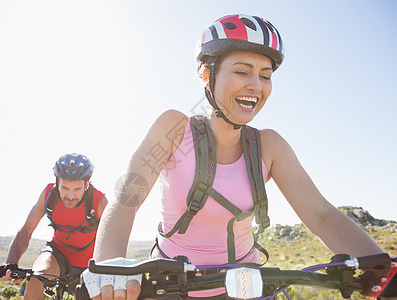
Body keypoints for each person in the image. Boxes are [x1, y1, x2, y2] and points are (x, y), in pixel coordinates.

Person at [83, 14, 386, 299]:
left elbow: (320, 215)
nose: (255, 85)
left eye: (265, 75)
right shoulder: (174, 129)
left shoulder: (269, 145)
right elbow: (126, 199)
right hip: (173, 283)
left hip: (243, 278)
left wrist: (383, 271)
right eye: (242, 71)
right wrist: (109, 269)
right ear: (206, 75)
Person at [0, 153, 108, 299]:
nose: (70, 196)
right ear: (57, 182)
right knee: (36, 277)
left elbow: (113, 240)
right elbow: (27, 229)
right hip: (58, 255)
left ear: (87, 185)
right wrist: (11, 263)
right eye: (65, 188)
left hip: (90, 263)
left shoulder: (99, 202)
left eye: (77, 189)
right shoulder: (49, 195)